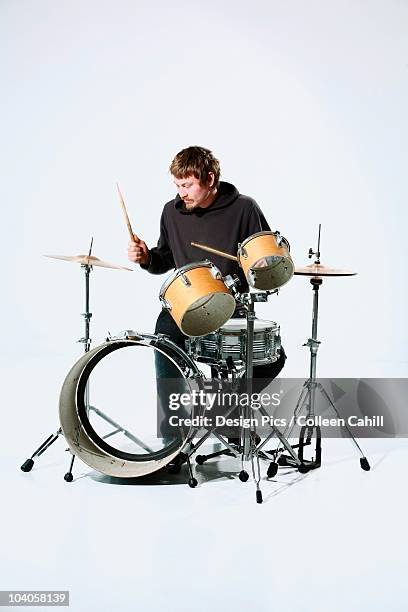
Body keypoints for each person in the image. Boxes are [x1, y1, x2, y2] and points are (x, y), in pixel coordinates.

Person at [127, 146, 286, 438]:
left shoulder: (244, 208)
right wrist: (147, 258)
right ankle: (172, 436)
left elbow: (263, 256)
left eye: (187, 185)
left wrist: (265, 264)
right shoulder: (171, 212)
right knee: (164, 340)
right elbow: (165, 257)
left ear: (209, 179)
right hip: (184, 303)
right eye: (177, 185)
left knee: (273, 358)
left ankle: (228, 413)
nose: (181, 193)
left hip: (231, 303)